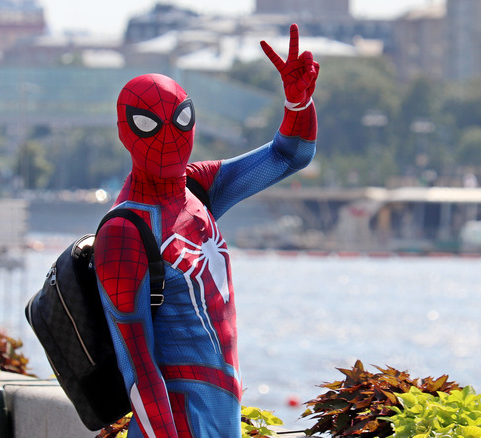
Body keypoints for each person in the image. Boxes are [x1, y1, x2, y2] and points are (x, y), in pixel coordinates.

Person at [93, 24, 319, 437]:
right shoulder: (125, 231)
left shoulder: (198, 186)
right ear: (126, 133)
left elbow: (290, 155)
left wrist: (297, 104)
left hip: (221, 413)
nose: (169, 137)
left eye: (181, 119)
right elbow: (139, 371)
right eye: (149, 124)